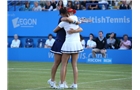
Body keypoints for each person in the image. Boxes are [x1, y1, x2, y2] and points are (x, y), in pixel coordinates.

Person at [48, 8, 82, 89]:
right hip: (60, 42)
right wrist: (76, 22)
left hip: (67, 43)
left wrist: (75, 28)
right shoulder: (63, 19)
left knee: (65, 64)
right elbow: (56, 29)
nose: (69, 13)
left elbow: (80, 28)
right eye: (68, 11)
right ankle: (52, 80)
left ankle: (62, 82)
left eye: (70, 12)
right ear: (63, 13)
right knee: (57, 63)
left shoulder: (72, 18)